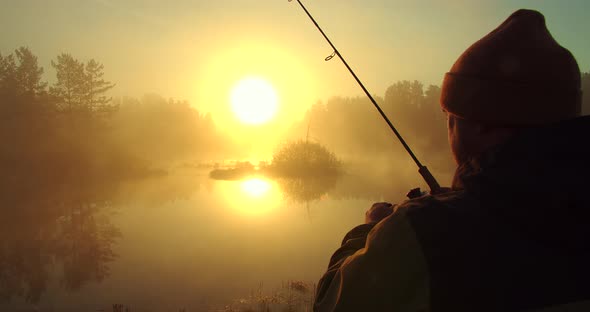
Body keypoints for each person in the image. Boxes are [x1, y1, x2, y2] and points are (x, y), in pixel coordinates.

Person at [313, 9, 590, 312]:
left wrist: (369, 230)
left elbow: (331, 304)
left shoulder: (421, 232)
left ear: (481, 122)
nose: (449, 131)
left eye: (450, 118)